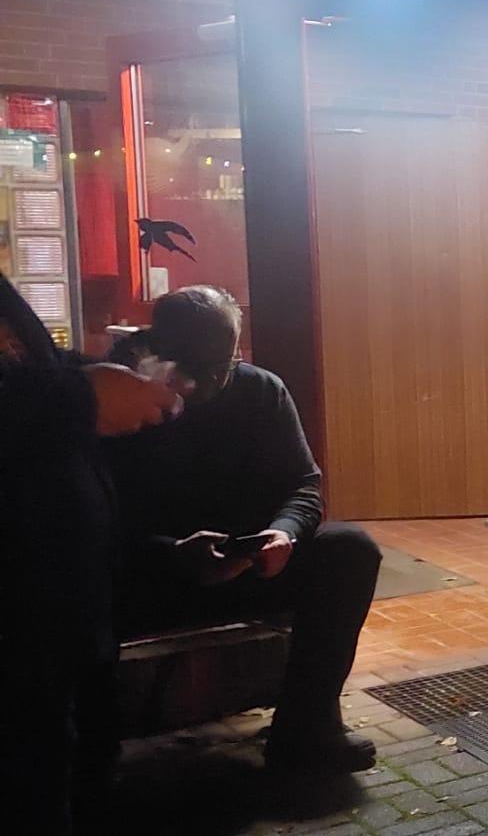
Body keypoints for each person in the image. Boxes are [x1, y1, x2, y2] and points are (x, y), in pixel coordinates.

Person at [104, 285, 385, 772]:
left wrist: (284, 533)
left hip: (247, 564)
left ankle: (307, 727)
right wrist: (171, 554)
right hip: (148, 578)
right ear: (158, 349)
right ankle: (86, 751)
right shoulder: (118, 402)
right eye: (195, 366)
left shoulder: (260, 390)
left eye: (223, 365)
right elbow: (93, 521)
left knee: (350, 549)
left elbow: (303, 483)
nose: (209, 382)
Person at [1, 272, 184, 834]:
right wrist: (84, 396)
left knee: (73, 772)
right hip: (17, 630)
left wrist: (111, 379)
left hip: (60, 611)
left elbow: (33, 368)